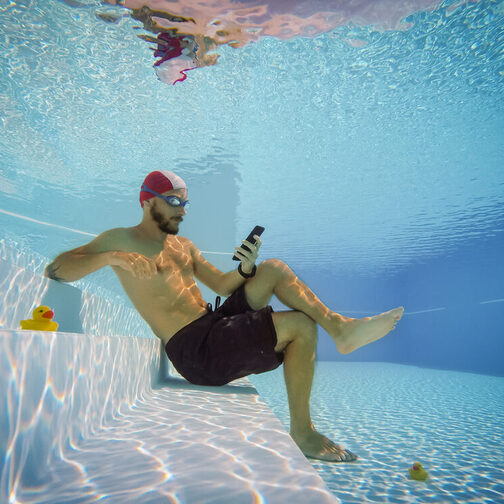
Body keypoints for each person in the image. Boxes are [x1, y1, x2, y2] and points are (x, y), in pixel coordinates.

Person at [44, 170, 404, 463]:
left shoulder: (184, 246)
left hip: (213, 324)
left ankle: (340, 329)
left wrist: (246, 268)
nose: (183, 210)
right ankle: (303, 433)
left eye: (185, 203)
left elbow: (220, 282)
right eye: (174, 202)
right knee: (300, 327)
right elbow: (57, 269)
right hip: (195, 351)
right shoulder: (119, 240)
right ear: (147, 200)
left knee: (272, 268)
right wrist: (110, 258)